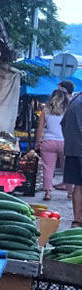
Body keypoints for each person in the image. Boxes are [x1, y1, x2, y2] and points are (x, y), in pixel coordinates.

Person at [37, 87, 70, 200]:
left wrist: (37, 141)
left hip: (48, 142)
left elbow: (40, 128)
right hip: (64, 142)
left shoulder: (46, 110)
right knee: (68, 168)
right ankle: (70, 192)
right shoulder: (68, 110)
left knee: (48, 168)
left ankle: (47, 193)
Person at [61, 92, 82, 227]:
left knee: (78, 185)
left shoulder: (75, 99)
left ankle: (77, 220)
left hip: (73, 149)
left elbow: (63, 125)